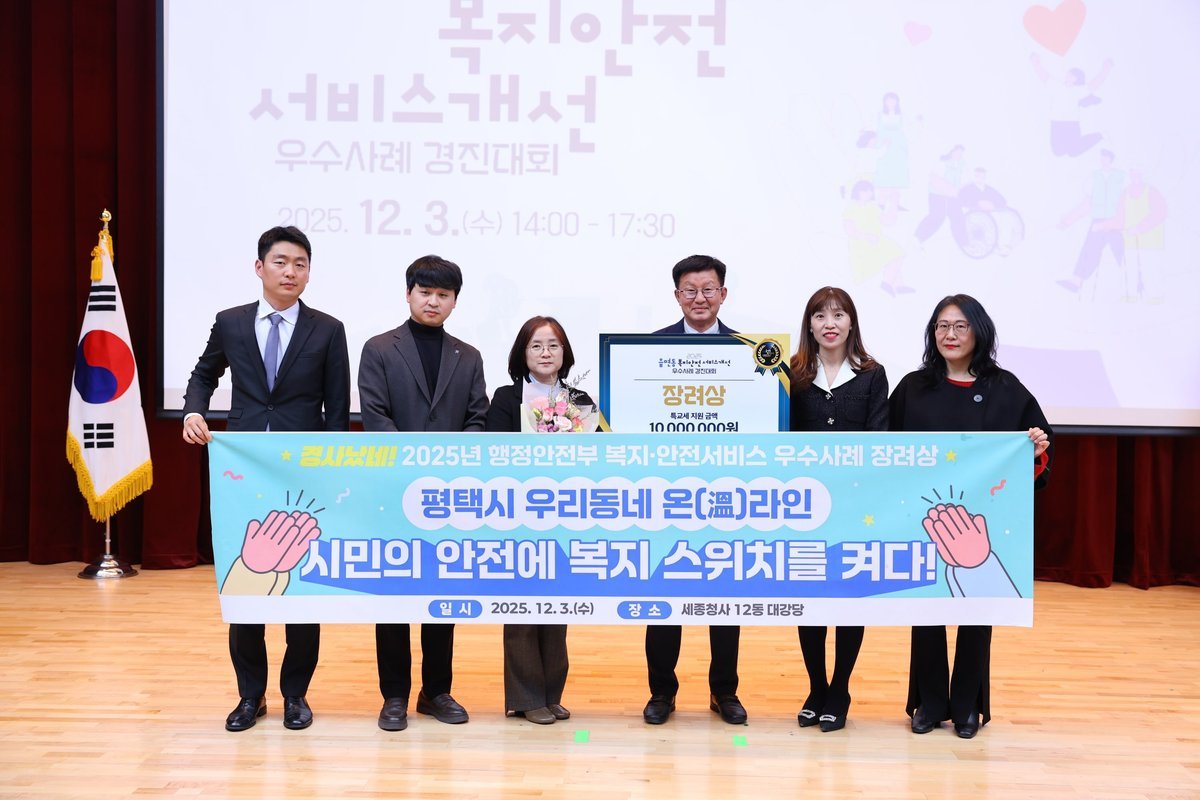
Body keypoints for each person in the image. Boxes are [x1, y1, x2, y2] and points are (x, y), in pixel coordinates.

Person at [181, 225, 351, 732]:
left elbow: (337, 407)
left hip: (304, 475)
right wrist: (193, 410)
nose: (290, 272)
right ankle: (250, 695)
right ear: (260, 268)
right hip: (244, 471)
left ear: (309, 272)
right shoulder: (230, 322)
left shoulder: (328, 329)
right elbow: (203, 374)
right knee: (245, 583)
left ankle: (296, 695)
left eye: (300, 264)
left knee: (301, 587)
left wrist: (331, 469)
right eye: (281, 262)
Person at [889, 294, 1052, 739]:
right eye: (942, 326)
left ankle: (968, 708)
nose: (950, 335)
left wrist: (1035, 448)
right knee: (925, 610)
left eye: (960, 326)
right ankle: (928, 704)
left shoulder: (1005, 387)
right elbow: (885, 449)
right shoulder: (913, 387)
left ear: (978, 332)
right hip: (921, 516)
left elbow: (1035, 453)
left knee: (978, 611)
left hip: (984, 521)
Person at [358, 254, 489, 732]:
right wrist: (415, 464)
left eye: (443, 294)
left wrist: (449, 467)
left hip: (447, 496)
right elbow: (374, 415)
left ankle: (436, 691)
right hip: (392, 491)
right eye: (425, 292)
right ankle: (394, 695)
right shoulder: (379, 348)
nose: (433, 301)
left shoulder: (468, 355)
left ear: (454, 301)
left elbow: (477, 418)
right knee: (393, 596)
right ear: (409, 293)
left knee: (442, 596)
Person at [644, 254, 745, 726]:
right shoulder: (648, 350)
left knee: (725, 598)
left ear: (723, 294)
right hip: (667, 494)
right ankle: (661, 692)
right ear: (677, 295)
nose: (699, 298)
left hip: (728, 494)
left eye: (708, 289)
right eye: (690, 290)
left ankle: (724, 691)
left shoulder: (751, 354)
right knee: (664, 596)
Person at [485, 316, 594, 724]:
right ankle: (526, 697)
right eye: (536, 346)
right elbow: (493, 454)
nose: (545, 353)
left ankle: (551, 693)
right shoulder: (506, 398)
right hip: (518, 514)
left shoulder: (580, 399)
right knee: (521, 609)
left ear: (565, 353)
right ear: (522, 353)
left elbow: (598, 454)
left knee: (557, 606)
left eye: (553, 345)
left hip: (564, 514)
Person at [788, 286, 887, 733]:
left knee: (848, 601)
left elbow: (879, 439)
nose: (830, 323)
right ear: (809, 325)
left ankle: (840, 689)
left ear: (851, 323)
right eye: (820, 316)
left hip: (854, 507)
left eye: (839, 315)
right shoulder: (792, 374)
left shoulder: (871, 373)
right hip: (804, 507)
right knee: (809, 601)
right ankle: (816, 687)